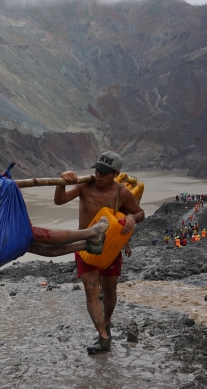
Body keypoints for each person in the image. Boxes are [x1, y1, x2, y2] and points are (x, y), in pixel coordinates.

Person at [55, 151, 144, 354]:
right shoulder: (85, 186)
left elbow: (140, 212)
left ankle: (106, 322)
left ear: (116, 173)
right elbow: (59, 201)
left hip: (109, 247)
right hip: (84, 243)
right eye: (97, 170)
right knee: (91, 288)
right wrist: (61, 182)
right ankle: (103, 337)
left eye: (104, 172)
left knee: (110, 290)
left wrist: (132, 218)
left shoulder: (121, 193)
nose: (98, 175)